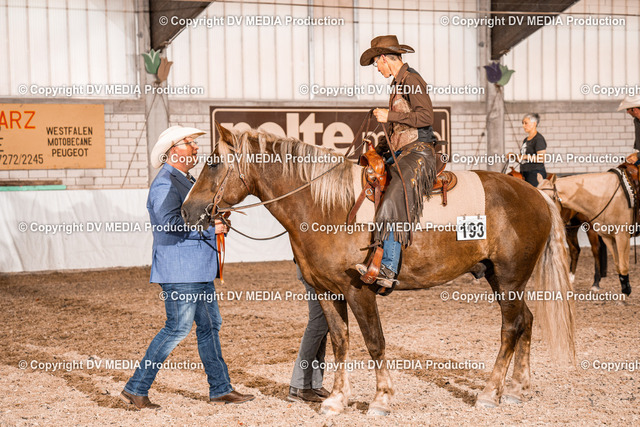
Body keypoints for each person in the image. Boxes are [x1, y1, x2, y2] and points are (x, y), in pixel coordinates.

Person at [120, 125, 254, 409]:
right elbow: (167, 225)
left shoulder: (186, 180)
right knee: (177, 328)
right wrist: (210, 228)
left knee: (210, 325)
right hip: (181, 270)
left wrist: (216, 220)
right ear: (173, 151)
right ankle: (136, 388)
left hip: (197, 269)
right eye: (189, 143)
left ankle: (220, 388)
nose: (195, 147)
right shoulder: (165, 183)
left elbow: (191, 217)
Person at [355, 35, 437, 289]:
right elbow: (396, 131)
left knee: (394, 196)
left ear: (383, 58)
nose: (377, 69)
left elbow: (426, 117)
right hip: (402, 152)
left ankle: (388, 267)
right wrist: (378, 151)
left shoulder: (412, 80)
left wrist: (388, 115)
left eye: (376, 64)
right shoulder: (397, 84)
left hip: (419, 152)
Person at [287, 264, 330, 402]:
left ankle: (314, 384)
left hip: (320, 268)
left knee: (323, 325)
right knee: (318, 325)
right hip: (314, 269)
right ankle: (299, 386)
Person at [516, 113, 547, 187]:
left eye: (526, 123)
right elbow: (523, 159)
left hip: (535, 174)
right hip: (524, 173)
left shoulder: (538, 139)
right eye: (523, 123)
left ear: (534, 123)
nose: (523, 126)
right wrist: (514, 156)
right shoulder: (525, 140)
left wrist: (525, 157)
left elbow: (541, 158)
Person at [620, 95, 640, 165]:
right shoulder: (636, 121)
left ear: (634, 109)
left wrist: (637, 156)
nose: (627, 112)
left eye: (628, 109)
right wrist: (636, 154)